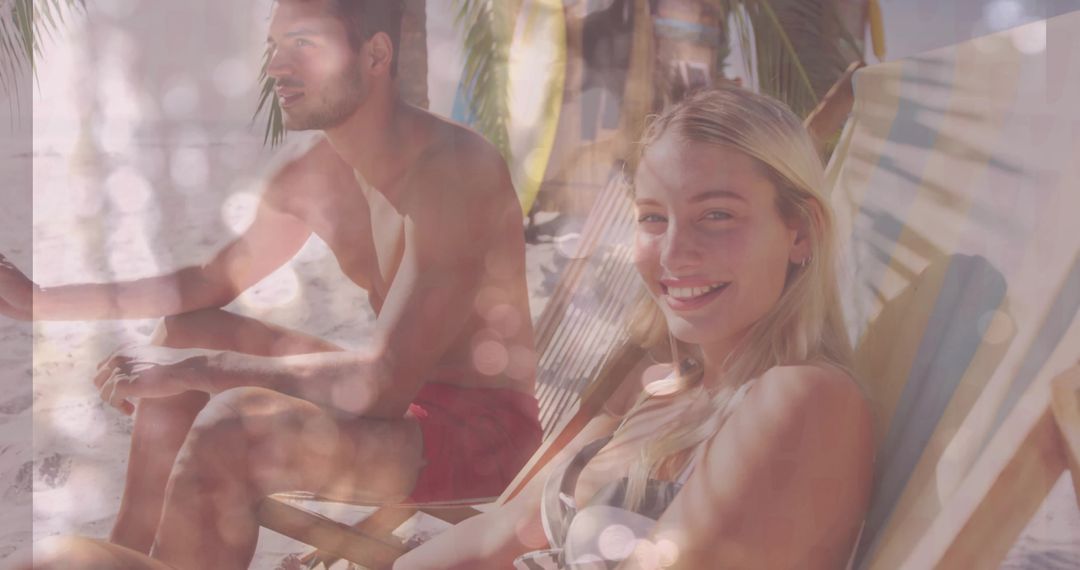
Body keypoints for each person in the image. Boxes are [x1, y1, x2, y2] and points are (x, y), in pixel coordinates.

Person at [10, 0, 540, 568]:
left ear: (375, 55)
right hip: (405, 403)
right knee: (186, 332)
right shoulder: (319, 173)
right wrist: (39, 302)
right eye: (274, 47)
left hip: (476, 435)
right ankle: (128, 552)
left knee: (231, 422)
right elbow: (207, 281)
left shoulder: (451, 171)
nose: (276, 68)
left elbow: (382, 383)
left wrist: (202, 371)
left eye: (303, 45)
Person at [392, 85, 875, 568]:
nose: (673, 253)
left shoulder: (804, 397)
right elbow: (510, 527)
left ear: (801, 232)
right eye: (653, 217)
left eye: (717, 214)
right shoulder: (662, 396)